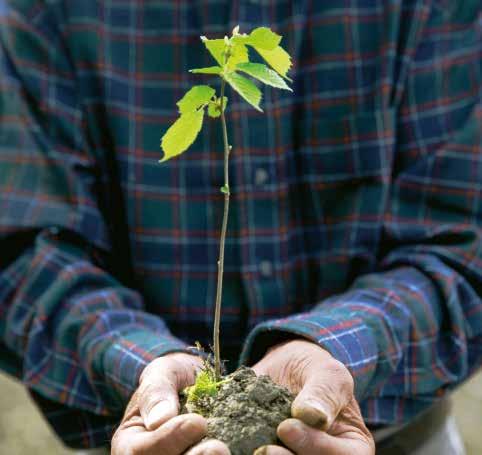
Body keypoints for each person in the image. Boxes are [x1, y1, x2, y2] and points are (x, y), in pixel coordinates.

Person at [0, 0, 480, 454]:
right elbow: (21, 252)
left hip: (386, 434)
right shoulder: (47, 10)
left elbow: (464, 242)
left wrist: (333, 349)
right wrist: (141, 362)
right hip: (144, 439)